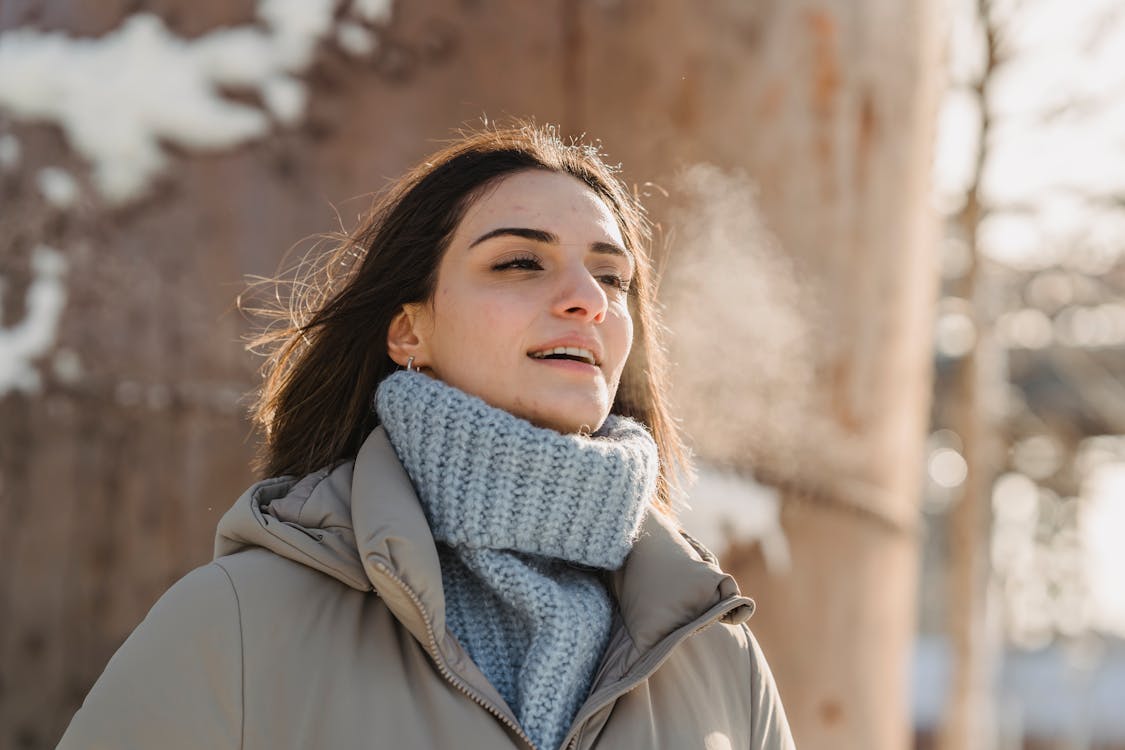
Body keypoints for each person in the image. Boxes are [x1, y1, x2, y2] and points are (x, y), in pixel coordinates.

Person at [58, 123, 796, 750]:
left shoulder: (718, 657)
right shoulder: (240, 625)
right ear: (410, 329)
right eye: (519, 263)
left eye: (612, 278)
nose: (586, 301)